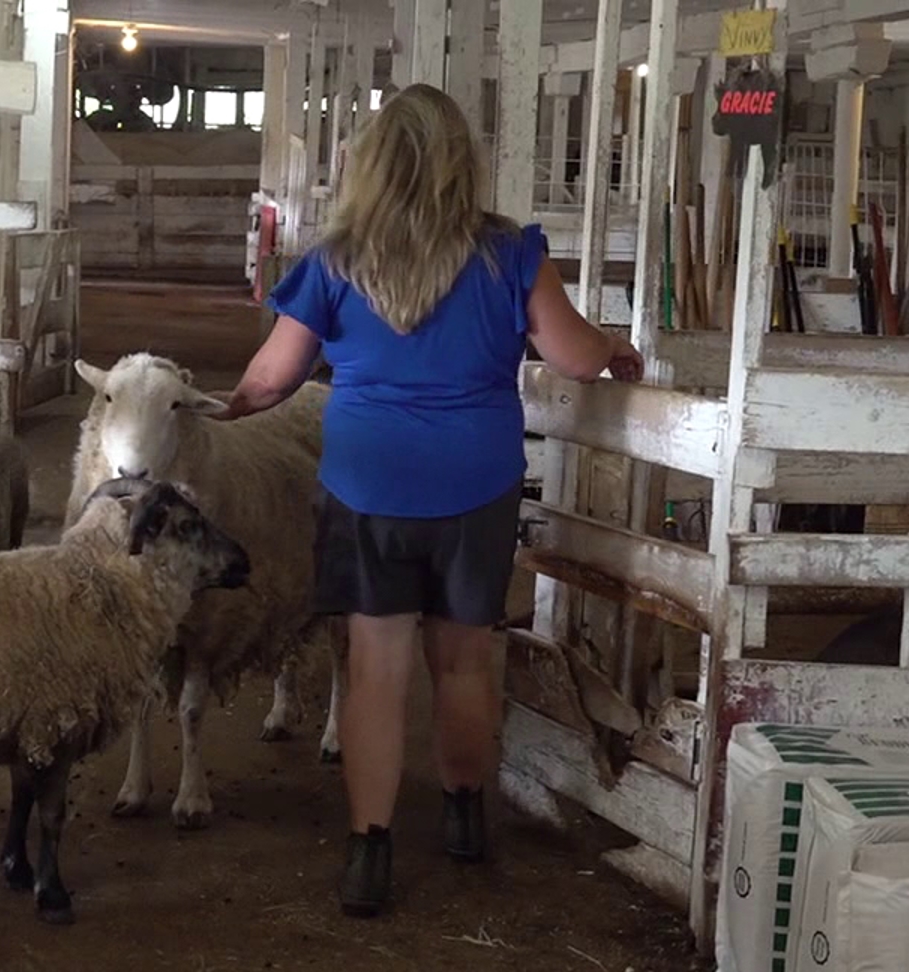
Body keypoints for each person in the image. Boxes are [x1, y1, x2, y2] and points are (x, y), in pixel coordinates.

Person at [214, 84, 645, 918]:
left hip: (368, 485)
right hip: (475, 487)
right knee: (462, 659)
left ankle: (370, 851)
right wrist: (613, 349)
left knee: (375, 669)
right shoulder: (509, 253)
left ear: (370, 166)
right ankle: (464, 817)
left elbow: (271, 380)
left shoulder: (335, 261)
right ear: (461, 163)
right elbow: (574, 357)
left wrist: (224, 409)